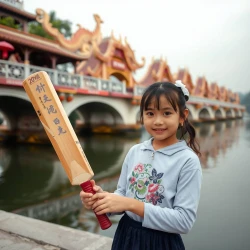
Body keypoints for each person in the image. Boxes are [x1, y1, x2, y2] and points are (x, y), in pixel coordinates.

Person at [80, 81, 202, 250]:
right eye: (150, 113)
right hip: (126, 236)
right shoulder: (135, 151)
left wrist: (131, 205)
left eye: (167, 113)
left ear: (182, 116)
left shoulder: (187, 161)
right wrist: (103, 201)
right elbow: (122, 193)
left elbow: (184, 221)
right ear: (142, 115)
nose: (158, 121)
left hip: (161, 242)